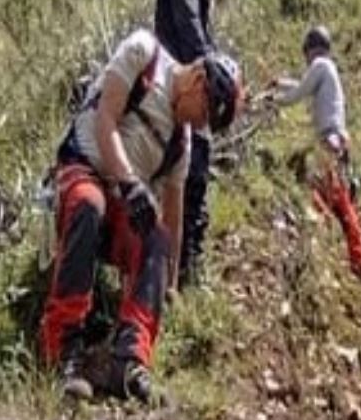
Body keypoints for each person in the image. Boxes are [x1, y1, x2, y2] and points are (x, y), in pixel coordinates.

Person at [40, 28, 243, 401]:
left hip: (122, 205)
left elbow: (174, 216)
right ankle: (62, 351)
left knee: (157, 238)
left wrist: (169, 285)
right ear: (197, 81)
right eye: (203, 114)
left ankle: (129, 361)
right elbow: (105, 119)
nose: (199, 126)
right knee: (89, 203)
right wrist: (131, 182)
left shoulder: (181, 143)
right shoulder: (143, 54)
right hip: (82, 173)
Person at [154, 0, 236, 287]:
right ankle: (185, 271)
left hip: (187, 85)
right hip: (186, 89)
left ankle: (182, 268)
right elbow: (190, 33)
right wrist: (212, 73)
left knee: (188, 181)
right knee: (192, 178)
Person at [273, 24, 361, 277]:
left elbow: (300, 92)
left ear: (311, 50)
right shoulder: (327, 69)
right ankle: (352, 258)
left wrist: (275, 100)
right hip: (336, 141)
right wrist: (280, 83)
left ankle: (336, 257)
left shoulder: (320, 66)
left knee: (332, 202)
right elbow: (303, 85)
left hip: (330, 141)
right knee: (336, 202)